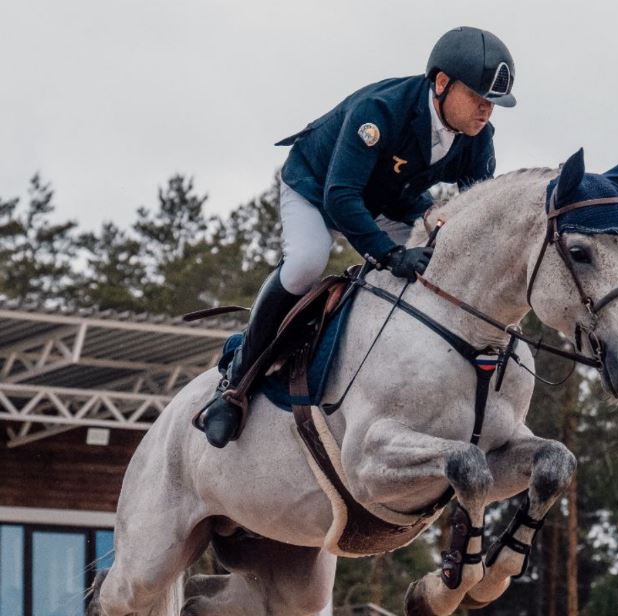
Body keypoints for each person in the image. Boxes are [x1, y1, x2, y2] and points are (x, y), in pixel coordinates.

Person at [198, 26, 517, 448]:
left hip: (388, 199)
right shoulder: (379, 112)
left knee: (439, 255)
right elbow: (341, 196)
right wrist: (389, 255)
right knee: (307, 263)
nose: (486, 110)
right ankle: (235, 383)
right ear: (442, 83)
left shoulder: (478, 138)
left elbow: (474, 211)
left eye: (492, 103)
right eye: (478, 97)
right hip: (317, 189)